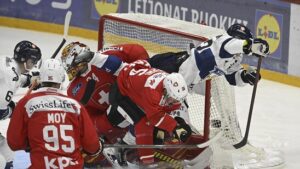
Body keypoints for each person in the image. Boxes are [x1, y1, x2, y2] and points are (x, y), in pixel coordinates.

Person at [148, 24, 284, 168]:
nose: (240, 51)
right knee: (160, 112)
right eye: (242, 40)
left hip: (181, 83)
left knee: (177, 122)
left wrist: (245, 77)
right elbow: (233, 45)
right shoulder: (223, 42)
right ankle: (145, 148)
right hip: (170, 69)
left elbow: (232, 77)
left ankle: (159, 150)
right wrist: (251, 45)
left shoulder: (234, 57)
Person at [60, 42, 149, 166]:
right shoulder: (73, 90)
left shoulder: (106, 56)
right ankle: (122, 148)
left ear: (81, 60)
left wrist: (143, 72)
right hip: (114, 117)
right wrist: (100, 126)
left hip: (135, 99)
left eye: (73, 65)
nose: (71, 70)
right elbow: (85, 116)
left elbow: (137, 50)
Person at [7, 58, 103, 169]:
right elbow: (92, 146)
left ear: (40, 77)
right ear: (62, 78)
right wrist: (98, 147)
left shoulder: (26, 103)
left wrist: (31, 141)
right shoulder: (75, 106)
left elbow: (14, 143)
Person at [107, 59, 192, 165]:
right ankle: (140, 160)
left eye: (177, 99)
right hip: (121, 93)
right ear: (165, 91)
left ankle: (123, 147)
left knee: (156, 129)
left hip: (136, 89)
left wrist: (181, 123)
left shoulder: (170, 90)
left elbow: (171, 108)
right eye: (173, 99)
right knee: (144, 124)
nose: (175, 102)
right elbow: (155, 118)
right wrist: (175, 127)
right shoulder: (153, 92)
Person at [0, 40, 42, 168]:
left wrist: (30, 80)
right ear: (23, 59)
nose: (34, 64)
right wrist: (16, 109)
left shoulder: (7, 62)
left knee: (6, 149)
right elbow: (0, 112)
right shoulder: (9, 76)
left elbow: (19, 78)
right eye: (32, 61)